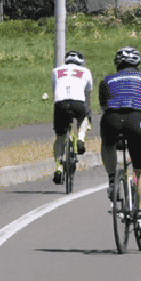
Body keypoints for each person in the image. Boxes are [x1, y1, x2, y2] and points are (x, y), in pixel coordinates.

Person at [96, 45, 141, 236]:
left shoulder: (106, 81)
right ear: (138, 63)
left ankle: (112, 180)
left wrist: (110, 137)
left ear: (117, 64)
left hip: (111, 120)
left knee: (107, 145)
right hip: (136, 120)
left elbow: (103, 111)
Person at [51, 48, 93, 186]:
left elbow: (54, 91)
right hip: (78, 102)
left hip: (60, 103)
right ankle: (80, 139)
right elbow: (88, 96)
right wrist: (89, 112)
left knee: (60, 136)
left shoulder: (56, 71)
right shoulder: (85, 71)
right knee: (83, 119)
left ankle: (58, 166)